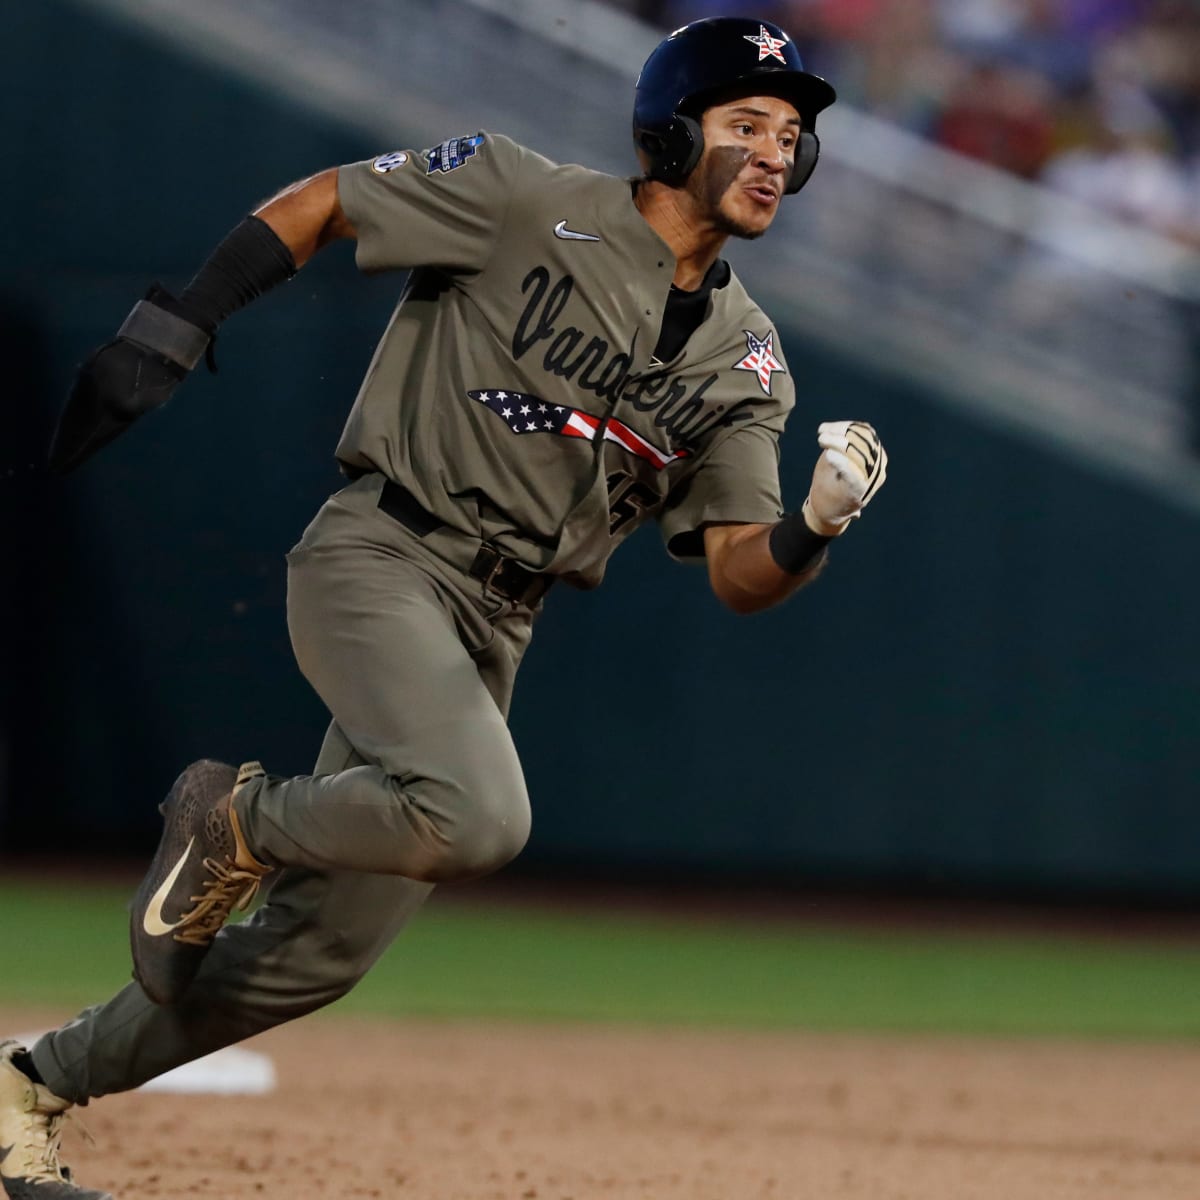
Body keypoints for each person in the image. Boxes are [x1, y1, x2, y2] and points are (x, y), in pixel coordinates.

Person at [2, 16, 887, 1198]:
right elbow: (326, 199)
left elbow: (737, 570)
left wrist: (814, 523)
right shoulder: (525, 195)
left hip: (498, 625)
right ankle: (241, 820)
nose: (778, 153)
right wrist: (182, 318)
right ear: (672, 134)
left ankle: (27, 1090)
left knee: (314, 955)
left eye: (792, 136)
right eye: (746, 126)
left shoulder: (747, 359)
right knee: (478, 816)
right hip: (384, 552)